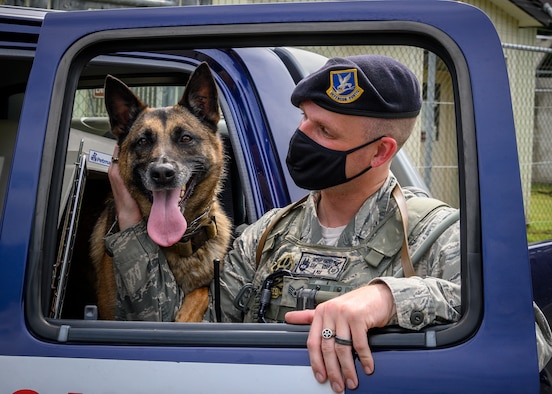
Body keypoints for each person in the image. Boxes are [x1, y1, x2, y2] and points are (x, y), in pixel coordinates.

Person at [105, 55, 552, 393]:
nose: (302, 138)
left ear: (379, 152)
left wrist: (387, 300)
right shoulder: (265, 236)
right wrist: (129, 222)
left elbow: (526, 345)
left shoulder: (436, 233)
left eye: (325, 132)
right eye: (305, 121)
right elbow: (172, 341)